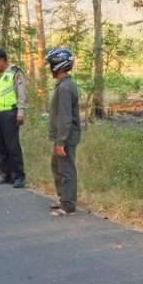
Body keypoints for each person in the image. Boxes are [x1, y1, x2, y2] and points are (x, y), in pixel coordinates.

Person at [46, 47, 81, 216]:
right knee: (57, 166)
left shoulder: (65, 87)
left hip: (65, 137)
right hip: (62, 135)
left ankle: (68, 205)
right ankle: (63, 198)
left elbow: (65, 117)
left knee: (66, 169)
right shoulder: (63, 85)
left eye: (51, 64)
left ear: (58, 65)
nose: (49, 68)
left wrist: (61, 142)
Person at [0, 48, 27, 188]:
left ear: (2, 60)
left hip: (9, 113)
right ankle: (6, 174)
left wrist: (21, 112)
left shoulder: (15, 73)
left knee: (12, 145)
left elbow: (21, 94)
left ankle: (19, 176)